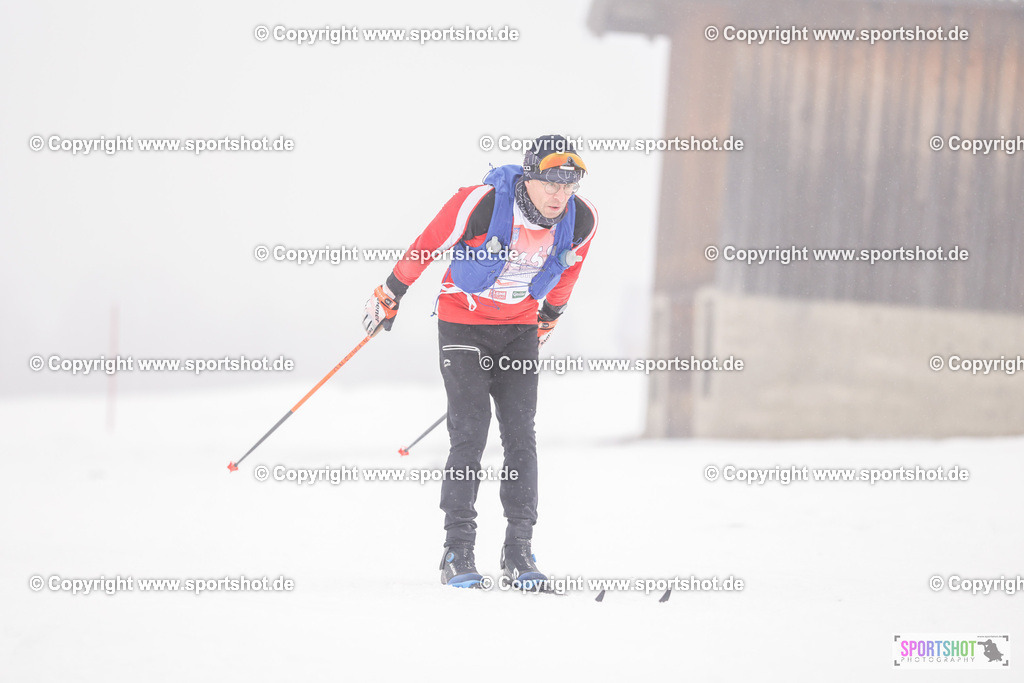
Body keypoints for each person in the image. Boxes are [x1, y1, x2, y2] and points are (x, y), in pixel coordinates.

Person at [361, 134, 598, 589]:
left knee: (520, 435)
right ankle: (458, 550)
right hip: (463, 325)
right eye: (550, 182)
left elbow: (568, 269)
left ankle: (518, 552)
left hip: (519, 330)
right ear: (530, 177)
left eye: (569, 185)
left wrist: (548, 320)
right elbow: (426, 245)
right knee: (470, 431)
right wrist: (390, 293)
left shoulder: (582, 219)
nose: (559, 195)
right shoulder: (482, 204)